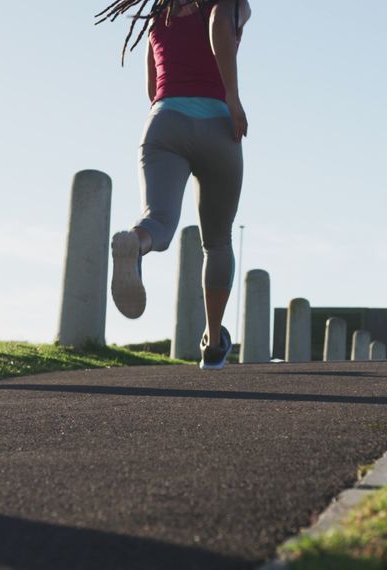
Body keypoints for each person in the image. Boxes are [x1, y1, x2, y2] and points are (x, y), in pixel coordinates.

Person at [95, 0, 250, 369]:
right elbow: (217, 23)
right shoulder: (231, 5)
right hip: (217, 122)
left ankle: (136, 241)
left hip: (163, 121)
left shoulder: (156, 15)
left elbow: (153, 88)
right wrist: (232, 95)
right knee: (217, 241)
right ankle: (213, 341)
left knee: (159, 221)